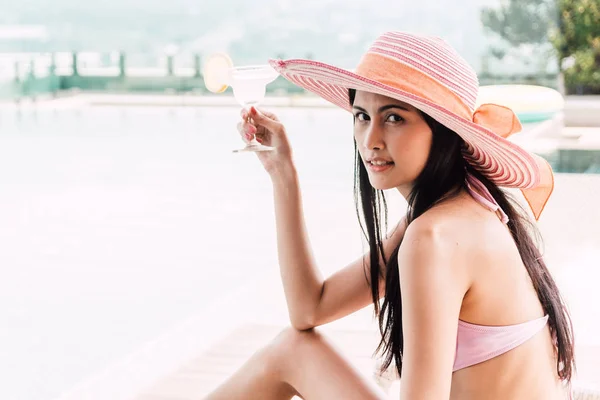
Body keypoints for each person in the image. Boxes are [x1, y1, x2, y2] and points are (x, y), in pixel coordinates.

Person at [204, 31, 575, 400]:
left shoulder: (434, 236)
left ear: (443, 132)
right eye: (362, 116)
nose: (371, 139)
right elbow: (309, 309)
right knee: (292, 348)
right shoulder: (456, 208)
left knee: (291, 352)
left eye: (394, 118)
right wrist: (283, 173)